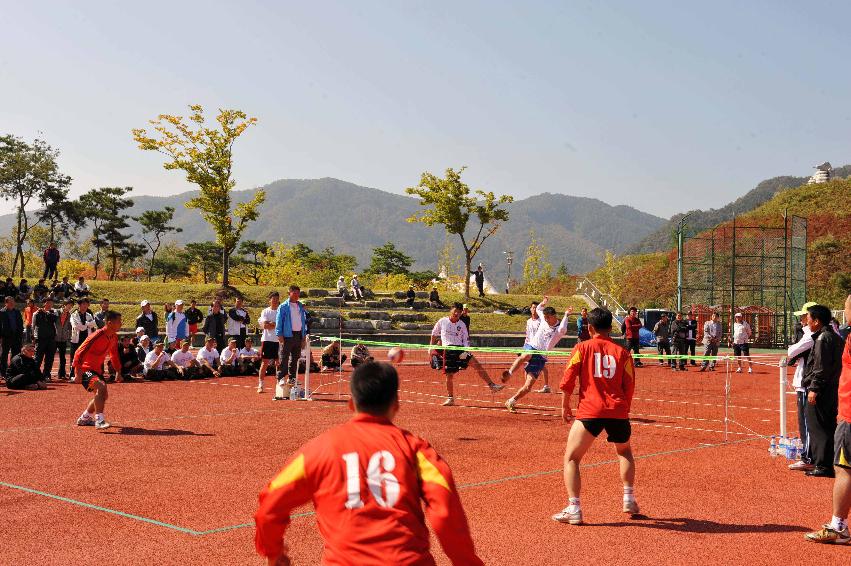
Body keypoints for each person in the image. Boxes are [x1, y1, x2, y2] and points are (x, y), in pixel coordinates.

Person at [254, 361, 485, 566]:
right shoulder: (417, 450)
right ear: (395, 403)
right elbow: (445, 514)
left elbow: (270, 504)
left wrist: (273, 552)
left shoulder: (318, 450)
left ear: (351, 404)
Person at [553, 307, 637, 525]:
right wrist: (623, 408)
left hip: (590, 410)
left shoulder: (582, 348)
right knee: (624, 451)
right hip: (618, 410)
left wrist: (565, 406)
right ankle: (629, 498)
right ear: (611, 327)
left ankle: (574, 508)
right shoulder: (623, 352)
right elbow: (629, 384)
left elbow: (568, 380)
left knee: (572, 458)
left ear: (589, 328)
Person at [805, 294, 851, 544]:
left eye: (847, 308)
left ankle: (839, 526)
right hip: (843, 405)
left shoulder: (832, 337)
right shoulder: (839, 336)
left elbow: (822, 368)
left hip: (849, 413)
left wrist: (815, 386)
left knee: (844, 469)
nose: (844, 313)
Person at [430, 302, 504, 406]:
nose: (457, 314)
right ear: (451, 310)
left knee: (477, 365)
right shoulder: (442, 321)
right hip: (448, 350)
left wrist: (466, 350)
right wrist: (430, 348)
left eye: (459, 312)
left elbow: (465, 339)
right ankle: (450, 398)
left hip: (460, 349)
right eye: (455, 311)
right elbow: (434, 333)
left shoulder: (462, 324)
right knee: (449, 375)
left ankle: (492, 385)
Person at [503, 299, 570, 413]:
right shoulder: (543, 319)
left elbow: (564, 324)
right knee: (526, 355)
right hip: (532, 346)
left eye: (548, 317)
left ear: (553, 316)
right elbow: (539, 309)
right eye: (544, 317)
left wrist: (566, 314)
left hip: (542, 356)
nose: (545, 319)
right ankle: (509, 373)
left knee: (528, 386)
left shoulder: (560, 330)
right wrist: (543, 302)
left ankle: (511, 401)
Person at [801, 304, 844, 478]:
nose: (806, 322)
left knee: (818, 426)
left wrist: (814, 388)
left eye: (809, 318)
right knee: (827, 425)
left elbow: (820, 367)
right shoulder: (834, 336)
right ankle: (829, 462)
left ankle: (822, 465)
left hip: (822, 389)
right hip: (832, 388)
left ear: (817, 321)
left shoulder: (822, 339)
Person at [73, 310, 122, 430]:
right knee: (101, 387)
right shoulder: (96, 335)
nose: (121, 324)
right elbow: (79, 352)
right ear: (110, 323)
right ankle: (99, 421)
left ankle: (85, 418)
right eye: (119, 322)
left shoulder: (114, 337)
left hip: (96, 370)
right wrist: (77, 372)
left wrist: (118, 371)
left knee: (103, 395)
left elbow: (114, 355)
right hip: (85, 369)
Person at [787, 302, 817, 472]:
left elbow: (791, 351)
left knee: (806, 422)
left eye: (803, 316)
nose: (800, 320)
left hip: (806, 383)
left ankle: (808, 457)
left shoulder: (810, 335)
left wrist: (793, 347)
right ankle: (810, 455)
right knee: (806, 422)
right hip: (803, 382)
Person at [276, 285, 308, 391]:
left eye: (298, 293)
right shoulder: (283, 306)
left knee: (295, 358)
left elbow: (303, 322)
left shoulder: (300, 306)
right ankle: (280, 377)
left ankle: (292, 378)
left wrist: (303, 337)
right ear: (289, 293)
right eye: (295, 293)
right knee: (284, 357)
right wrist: (279, 335)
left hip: (298, 335)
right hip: (287, 335)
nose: (297, 295)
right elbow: (279, 321)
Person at [256, 291, 280, 394]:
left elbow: (280, 325)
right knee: (264, 362)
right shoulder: (265, 311)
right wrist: (273, 324)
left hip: (279, 340)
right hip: (267, 340)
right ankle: (261, 385)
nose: (275, 301)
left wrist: (272, 324)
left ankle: (279, 384)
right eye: (273, 299)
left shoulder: (281, 311)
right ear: (269, 300)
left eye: (276, 299)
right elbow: (265, 325)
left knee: (278, 363)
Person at [69, 298, 97, 381]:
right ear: (79, 305)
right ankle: (73, 375)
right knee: (74, 358)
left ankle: (86, 375)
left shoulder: (89, 315)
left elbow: (94, 324)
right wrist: (88, 324)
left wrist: (86, 324)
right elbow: (78, 327)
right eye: (83, 304)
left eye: (86, 304)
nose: (85, 306)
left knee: (86, 358)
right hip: (76, 340)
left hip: (86, 340)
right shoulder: (73, 315)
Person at [32, 297, 58, 381]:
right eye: (48, 302)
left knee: (49, 358)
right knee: (38, 358)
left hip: (51, 339)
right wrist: (33, 337)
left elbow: (55, 319)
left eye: (51, 303)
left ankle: (47, 374)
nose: (50, 304)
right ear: (44, 303)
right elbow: (33, 326)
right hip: (40, 339)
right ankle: (35, 374)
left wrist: (46, 312)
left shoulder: (54, 312)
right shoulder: (36, 313)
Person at [0, 296, 24, 379]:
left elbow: (20, 323)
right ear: (6, 303)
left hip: (16, 337)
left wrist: (20, 334)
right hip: (6, 337)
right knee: (4, 355)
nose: (12, 304)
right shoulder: (1, 312)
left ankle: (13, 372)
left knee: (16, 355)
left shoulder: (17, 312)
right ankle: (3, 373)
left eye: (13, 302)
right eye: (10, 303)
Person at [54, 298, 73, 380]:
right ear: (64, 305)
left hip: (63, 338)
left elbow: (69, 326)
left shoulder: (69, 315)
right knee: (50, 357)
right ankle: (46, 374)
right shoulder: (56, 312)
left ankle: (61, 373)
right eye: (69, 305)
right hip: (54, 337)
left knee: (63, 357)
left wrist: (69, 336)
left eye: (71, 306)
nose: (70, 307)